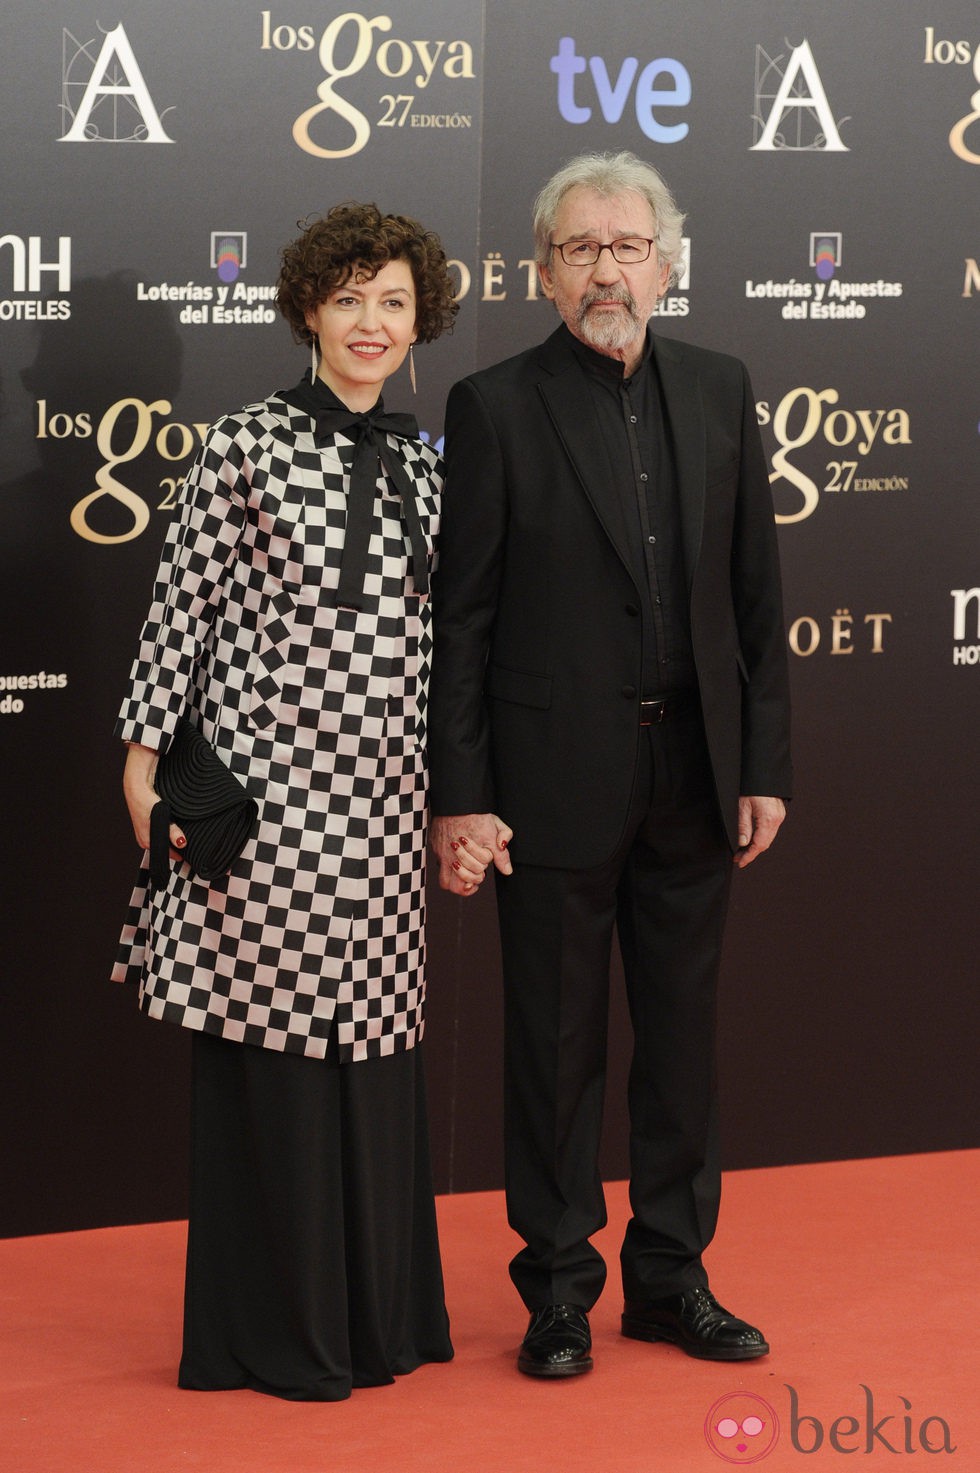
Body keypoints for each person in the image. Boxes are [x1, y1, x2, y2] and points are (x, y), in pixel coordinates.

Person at [428, 152, 792, 1378]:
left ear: (667, 262)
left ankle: (670, 1280)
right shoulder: (491, 406)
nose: (605, 269)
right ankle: (558, 1291)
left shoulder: (721, 388)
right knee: (553, 1049)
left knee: (680, 1046)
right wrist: (463, 795)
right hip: (546, 785)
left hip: (694, 779)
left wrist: (764, 764)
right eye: (578, 249)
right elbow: (460, 623)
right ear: (540, 270)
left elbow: (755, 604)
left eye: (626, 245)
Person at [113, 202, 476, 1400]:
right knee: (270, 1060)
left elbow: (449, 649)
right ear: (308, 310)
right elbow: (181, 614)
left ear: (420, 319)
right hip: (265, 807)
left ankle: (375, 1326)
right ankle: (275, 1335)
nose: (369, 324)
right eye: (348, 298)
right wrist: (140, 760)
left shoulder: (432, 466)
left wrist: (454, 801)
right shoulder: (244, 446)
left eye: (392, 303)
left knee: (369, 1061)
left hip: (381, 812)